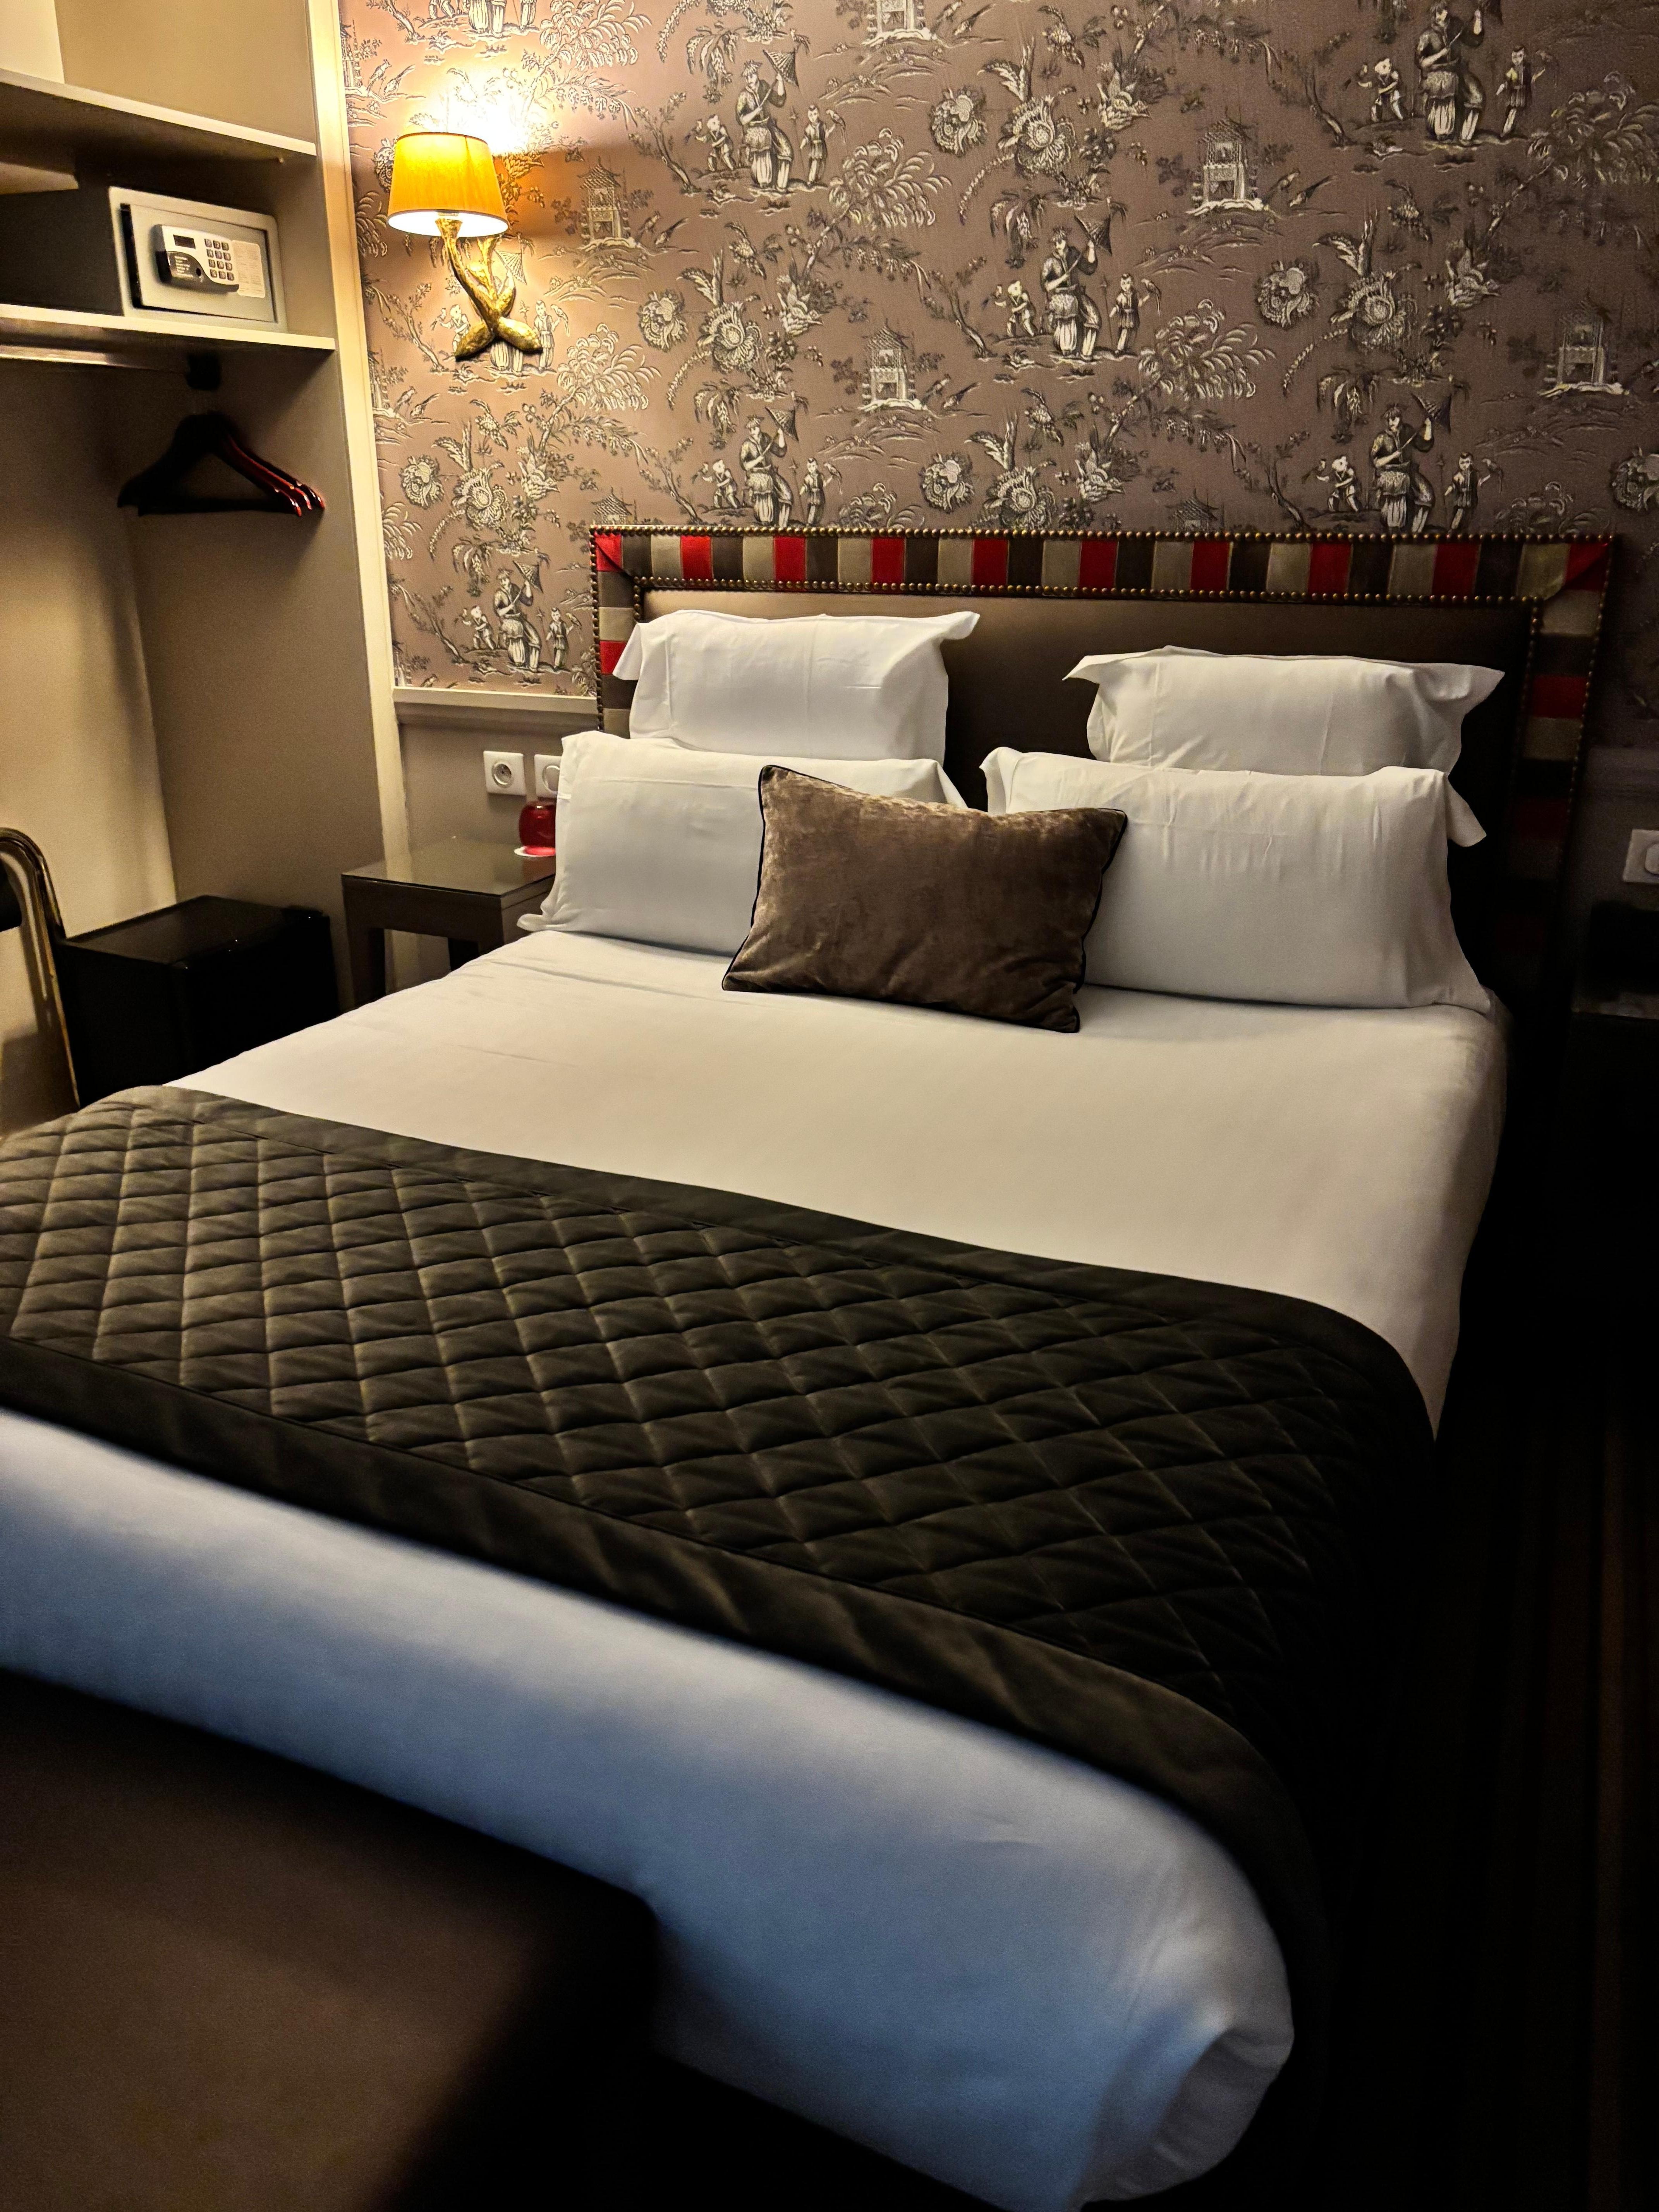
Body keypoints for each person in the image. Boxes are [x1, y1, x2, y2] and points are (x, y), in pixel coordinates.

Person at [1415, 6, 1484, 145]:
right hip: (1437, 73)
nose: (1438, 16)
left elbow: (1474, 40)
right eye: (1435, 13)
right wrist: (1440, 54)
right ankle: (1443, 133)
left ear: (1447, 12)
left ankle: (1466, 135)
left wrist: (1478, 19)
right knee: (1446, 86)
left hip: (1457, 69)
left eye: (1441, 12)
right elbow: (1422, 63)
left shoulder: (1456, 29)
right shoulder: (1427, 36)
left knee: (1476, 95)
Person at [1370, 407, 1435, 533]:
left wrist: (1429, 427)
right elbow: (1376, 463)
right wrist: (1393, 456)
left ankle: (1415, 532)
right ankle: (1395, 530)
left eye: (1394, 419)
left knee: (1427, 496)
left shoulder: (1408, 431)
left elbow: (1424, 446)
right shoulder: (1382, 438)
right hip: (1390, 474)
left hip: (1408, 471)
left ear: (1400, 418)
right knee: (1396, 499)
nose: (1391, 422)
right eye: (1388, 420)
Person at [1040, 232, 1101, 361]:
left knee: (1094, 318)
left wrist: (1092, 249)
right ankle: (1068, 350)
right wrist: (1062, 279)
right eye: (1055, 243)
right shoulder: (1050, 262)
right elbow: (1047, 287)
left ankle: (1086, 353)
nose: (1057, 246)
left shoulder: (1074, 254)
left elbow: (1089, 268)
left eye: (1060, 242)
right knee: (1068, 315)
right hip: (1060, 297)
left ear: (1066, 241)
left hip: (1076, 294)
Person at [737, 62, 793, 193]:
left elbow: (779, 101)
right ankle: (765, 182)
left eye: (751, 76)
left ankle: (781, 186)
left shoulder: (764, 87)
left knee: (786, 150)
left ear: (757, 75)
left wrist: (780, 82)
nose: (749, 80)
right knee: (763, 141)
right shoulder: (744, 95)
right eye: (747, 77)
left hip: (769, 126)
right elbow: (742, 120)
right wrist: (755, 113)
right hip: (754, 129)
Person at [740, 418, 793, 526]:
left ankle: (781, 524)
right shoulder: (747, 445)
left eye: (755, 428)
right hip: (755, 475)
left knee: (786, 493)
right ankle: (766, 519)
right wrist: (757, 460)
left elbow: (780, 452)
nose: (752, 431)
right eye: (750, 429)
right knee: (766, 483)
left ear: (759, 427)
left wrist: (781, 435)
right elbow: (745, 466)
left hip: (770, 472)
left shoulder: (767, 438)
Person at [1499, 48, 1533, 139]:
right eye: (1514, 57)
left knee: (1520, 111)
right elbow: (1508, 79)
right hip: (1515, 93)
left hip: (1523, 93)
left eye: (1520, 56)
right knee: (1513, 110)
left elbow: (1529, 81)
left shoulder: (1526, 68)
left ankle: (1515, 130)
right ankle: (1506, 131)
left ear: (1524, 56)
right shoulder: (1512, 69)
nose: (1517, 59)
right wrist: (1505, 85)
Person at [1369, 55, 1405, 127]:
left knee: (1394, 104)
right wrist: (1385, 90)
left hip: (1395, 92)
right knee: (1375, 102)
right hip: (1385, 94)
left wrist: (1387, 89)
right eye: (1384, 66)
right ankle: (1375, 120)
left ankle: (1402, 119)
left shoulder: (1394, 74)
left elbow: (1397, 84)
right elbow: (1379, 90)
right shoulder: (1378, 77)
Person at [1110, 274, 1140, 356]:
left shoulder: (1135, 294)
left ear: (1132, 283)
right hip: (1125, 316)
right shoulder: (1121, 296)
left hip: (1133, 316)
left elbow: (1140, 303)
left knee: (1132, 332)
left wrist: (1148, 297)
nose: (1125, 286)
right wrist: (1114, 310)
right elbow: (1118, 305)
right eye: (1123, 284)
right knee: (1125, 331)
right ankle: (1120, 349)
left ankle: (1127, 348)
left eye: (1128, 283)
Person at [802, 106, 829, 187]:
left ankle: (818, 179)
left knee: (822, 163)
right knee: (815, 163)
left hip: (822, 146)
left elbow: (826, 135)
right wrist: (802, 145)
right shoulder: (809, 128)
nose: (813, 117)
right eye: (811, 115)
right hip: (814, 147)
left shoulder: (823, 125)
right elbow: (806, 138)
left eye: (815, 114)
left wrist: (828, 133)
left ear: (818, 114)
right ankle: (811, 180)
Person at [800, 456, 825, 525]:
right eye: (809, 467)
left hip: (820, 495)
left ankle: (817, 523)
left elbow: (824, 484)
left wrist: (831, 478)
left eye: (813, 466)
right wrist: (800, 493)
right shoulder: (808, 477)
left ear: (817, 467)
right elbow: (805, 486)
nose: (811, 468)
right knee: (813, 509)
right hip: (813, 496)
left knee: (820, 511)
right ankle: (810, 523)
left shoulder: (821, 476)